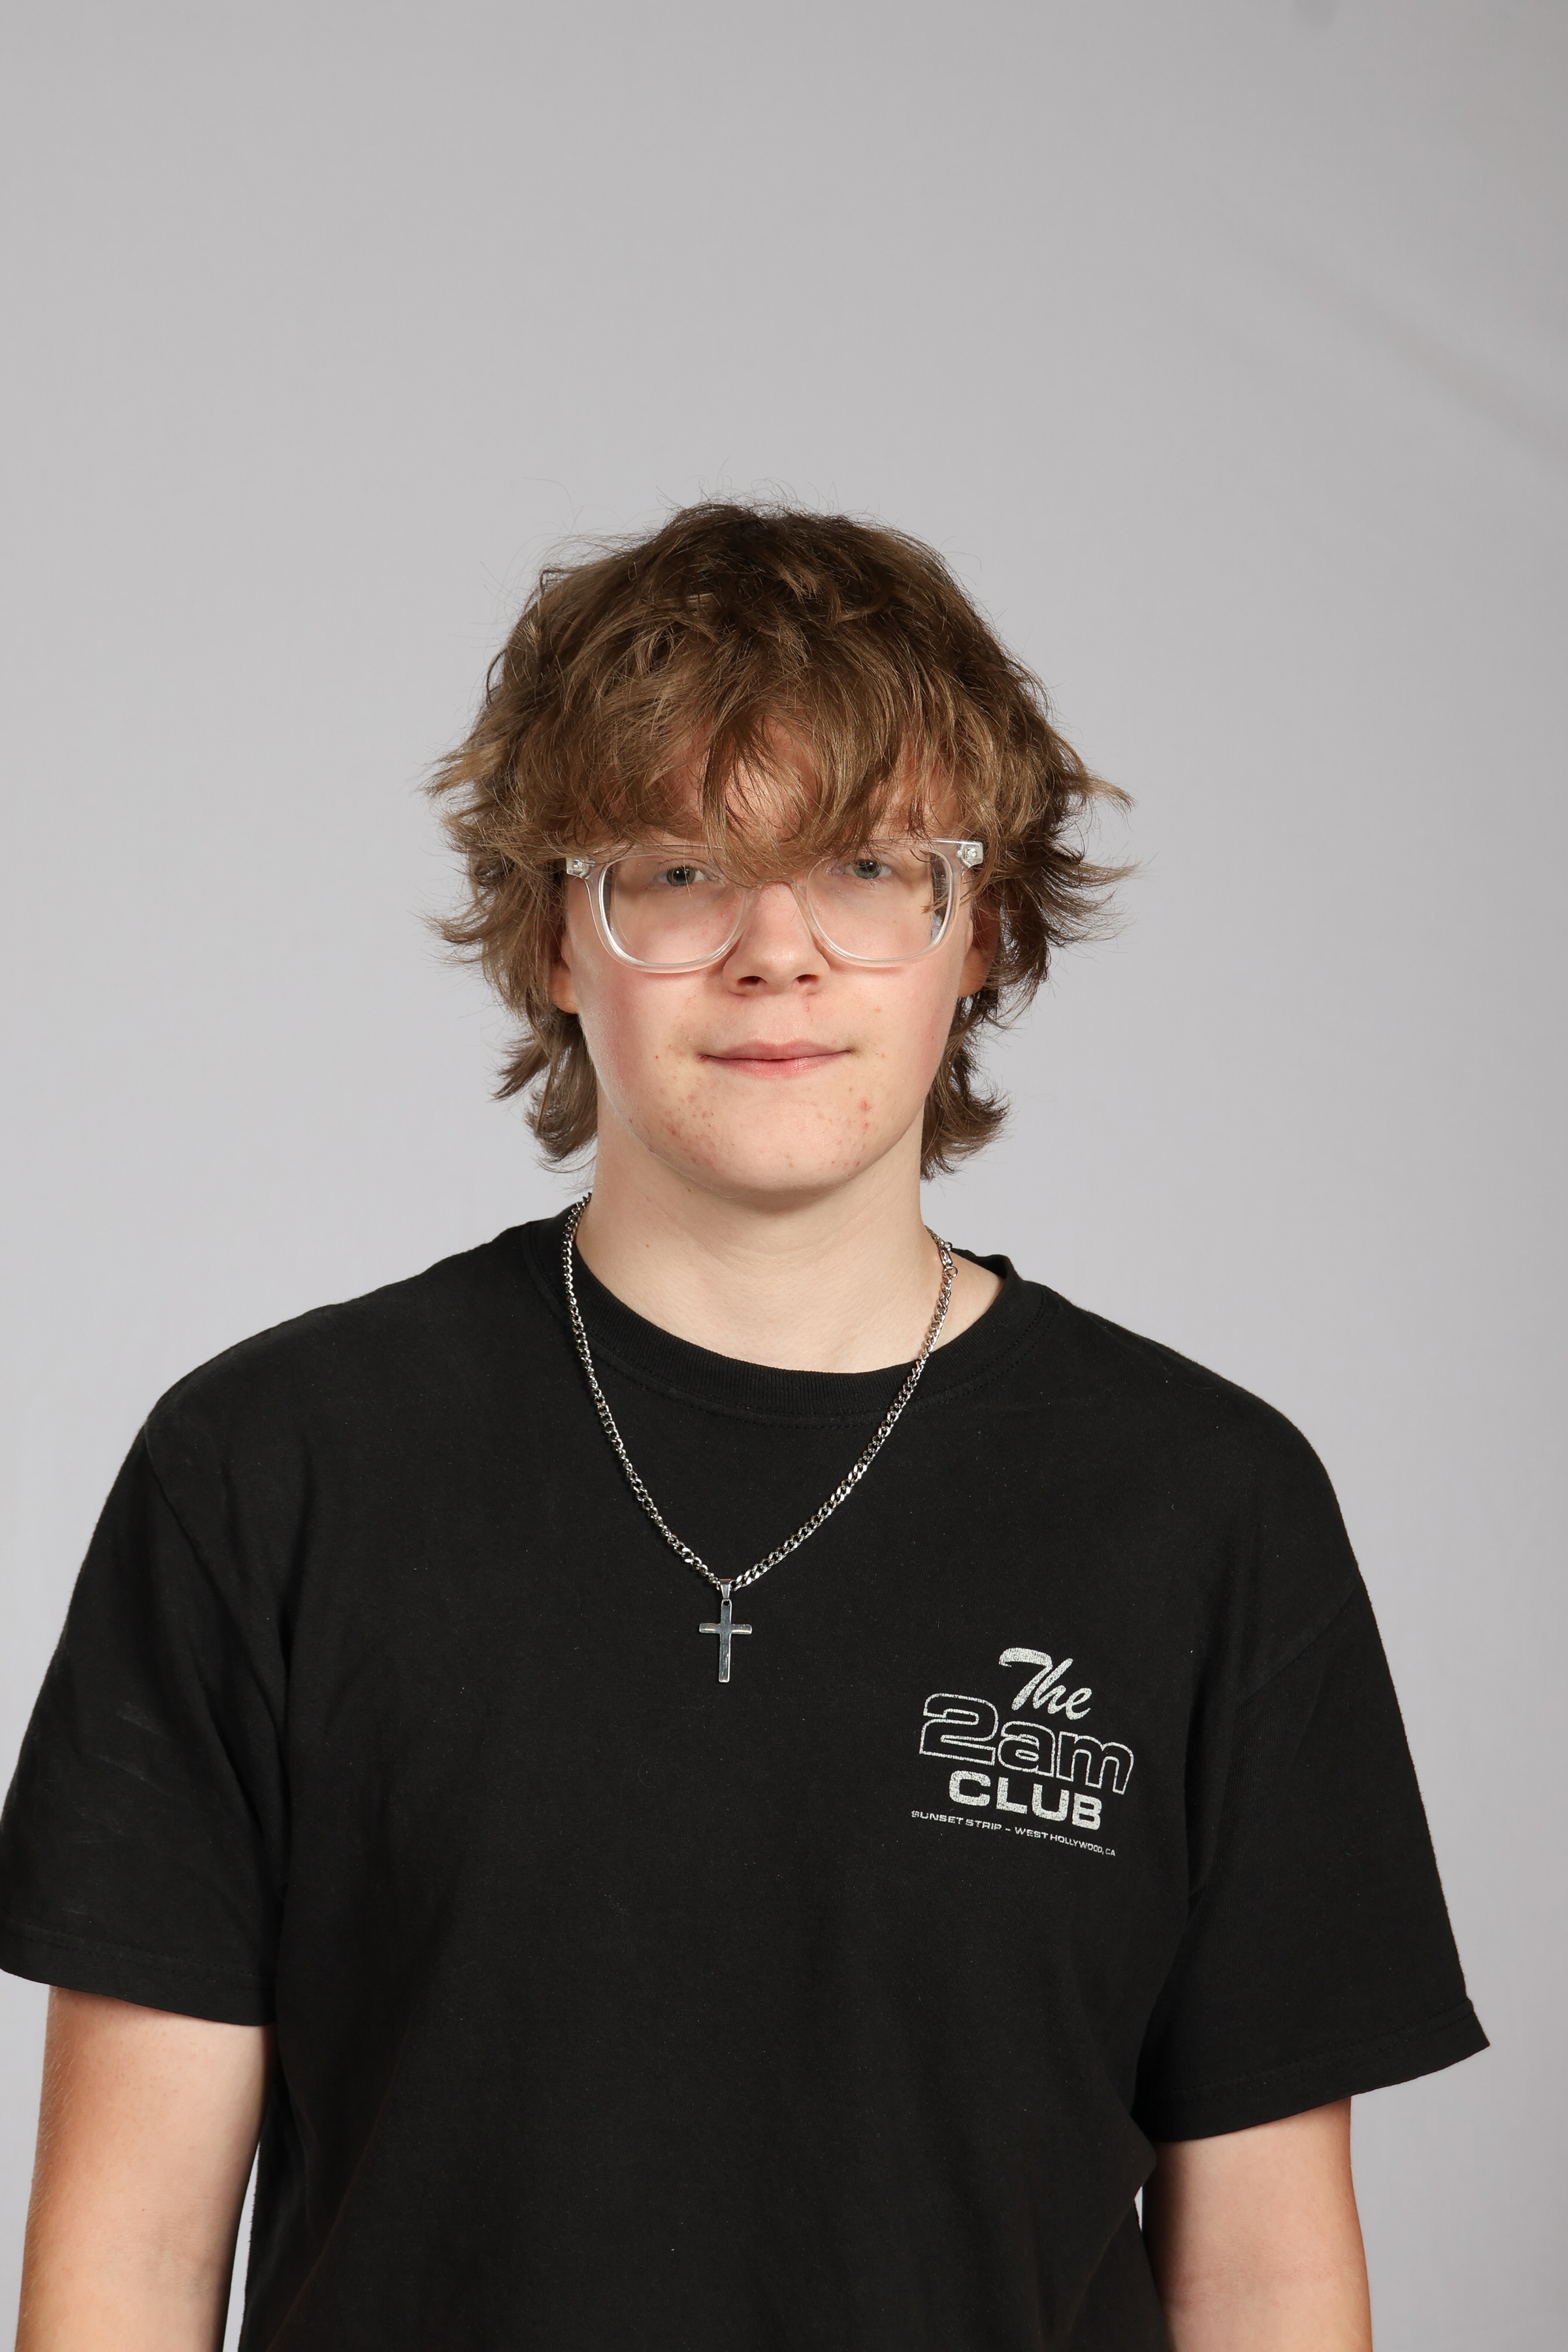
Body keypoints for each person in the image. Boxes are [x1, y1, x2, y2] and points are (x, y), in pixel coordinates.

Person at [0, 502, 1484, 2352]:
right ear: (560, 938)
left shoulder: (1207, 1508)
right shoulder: (266, 1473)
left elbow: (1266, 2280)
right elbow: (125, 2273)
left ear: (979, 926)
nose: (778, 953)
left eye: (868, 866)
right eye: (682, 870)